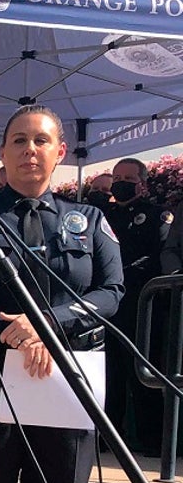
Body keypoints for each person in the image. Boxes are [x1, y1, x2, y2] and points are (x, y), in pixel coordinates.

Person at [0, 105, 122, 483]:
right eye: (19, 140)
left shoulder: (89, 221)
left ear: (59, 151)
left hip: (64, 387)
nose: (30, 150)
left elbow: (112, 291)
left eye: (41, 141)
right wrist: (18, 334)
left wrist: (44, 326)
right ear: (2, 152)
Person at [106, 158, 172, 454]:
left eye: (128, 178)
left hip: (140, 307)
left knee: (142, 372)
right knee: (111, 375)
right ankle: (108, 436)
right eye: (116, 177)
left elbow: (156, 258)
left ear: (142, 183)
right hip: (108, 309)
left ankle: (150, 440)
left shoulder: (157, 216)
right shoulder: (103, 215)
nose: (121, 182)